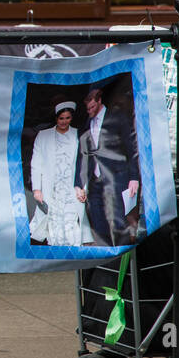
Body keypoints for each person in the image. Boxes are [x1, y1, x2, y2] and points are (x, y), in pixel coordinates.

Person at [76, 86, 141, 247]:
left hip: (116, 176)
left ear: (99, 101)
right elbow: (83, 154)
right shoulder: (88, 122)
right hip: (95, 178)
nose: (89, 110)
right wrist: (79, 183)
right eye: (87, 107)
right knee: (98, 220)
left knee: (119, 220)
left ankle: (122, 258)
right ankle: (106, 254)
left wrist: (134, 177)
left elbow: (131, 147)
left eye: (91, 106)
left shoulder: (118, 118)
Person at [29, 101, 90, 246]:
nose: (64, 121)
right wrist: (37, 189)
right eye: (61, 118)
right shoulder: (43, 135)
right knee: (53, 218)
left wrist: (83, 187)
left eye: (67, 118)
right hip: (51, 185)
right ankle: (55, 250)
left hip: (71, 185)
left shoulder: (77, 134)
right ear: (56, 118)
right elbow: (36, 163)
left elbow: (84, 162)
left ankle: (72, 250)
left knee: (71, 218)